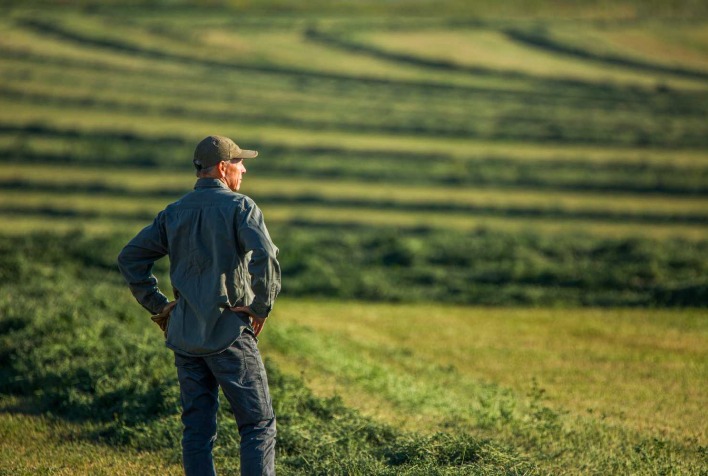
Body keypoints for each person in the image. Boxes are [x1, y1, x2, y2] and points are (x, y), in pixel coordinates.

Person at [117, 135, 281, 476]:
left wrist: (161, 306)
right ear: (223, 168)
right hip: (228, 334)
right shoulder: (241, 207)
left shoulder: (174, 212)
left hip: (185, 336)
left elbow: (130, 258)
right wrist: (260, 307)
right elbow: (265, 256)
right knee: (257, 425)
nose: (244, 169)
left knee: (197, 432)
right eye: (239, 162)